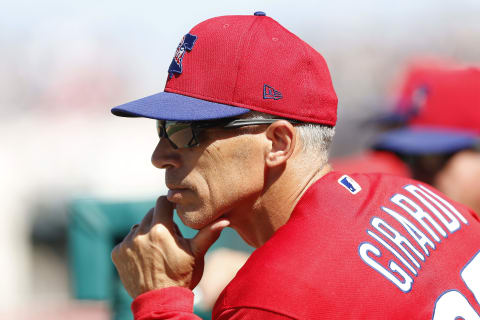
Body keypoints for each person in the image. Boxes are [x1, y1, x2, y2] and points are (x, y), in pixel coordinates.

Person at [110, 12, 480, 319]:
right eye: (164, 128)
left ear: (278, 143)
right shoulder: (418, 196)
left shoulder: (272, 301)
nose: (160, 156)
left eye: (188, 132)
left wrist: (161, 300)